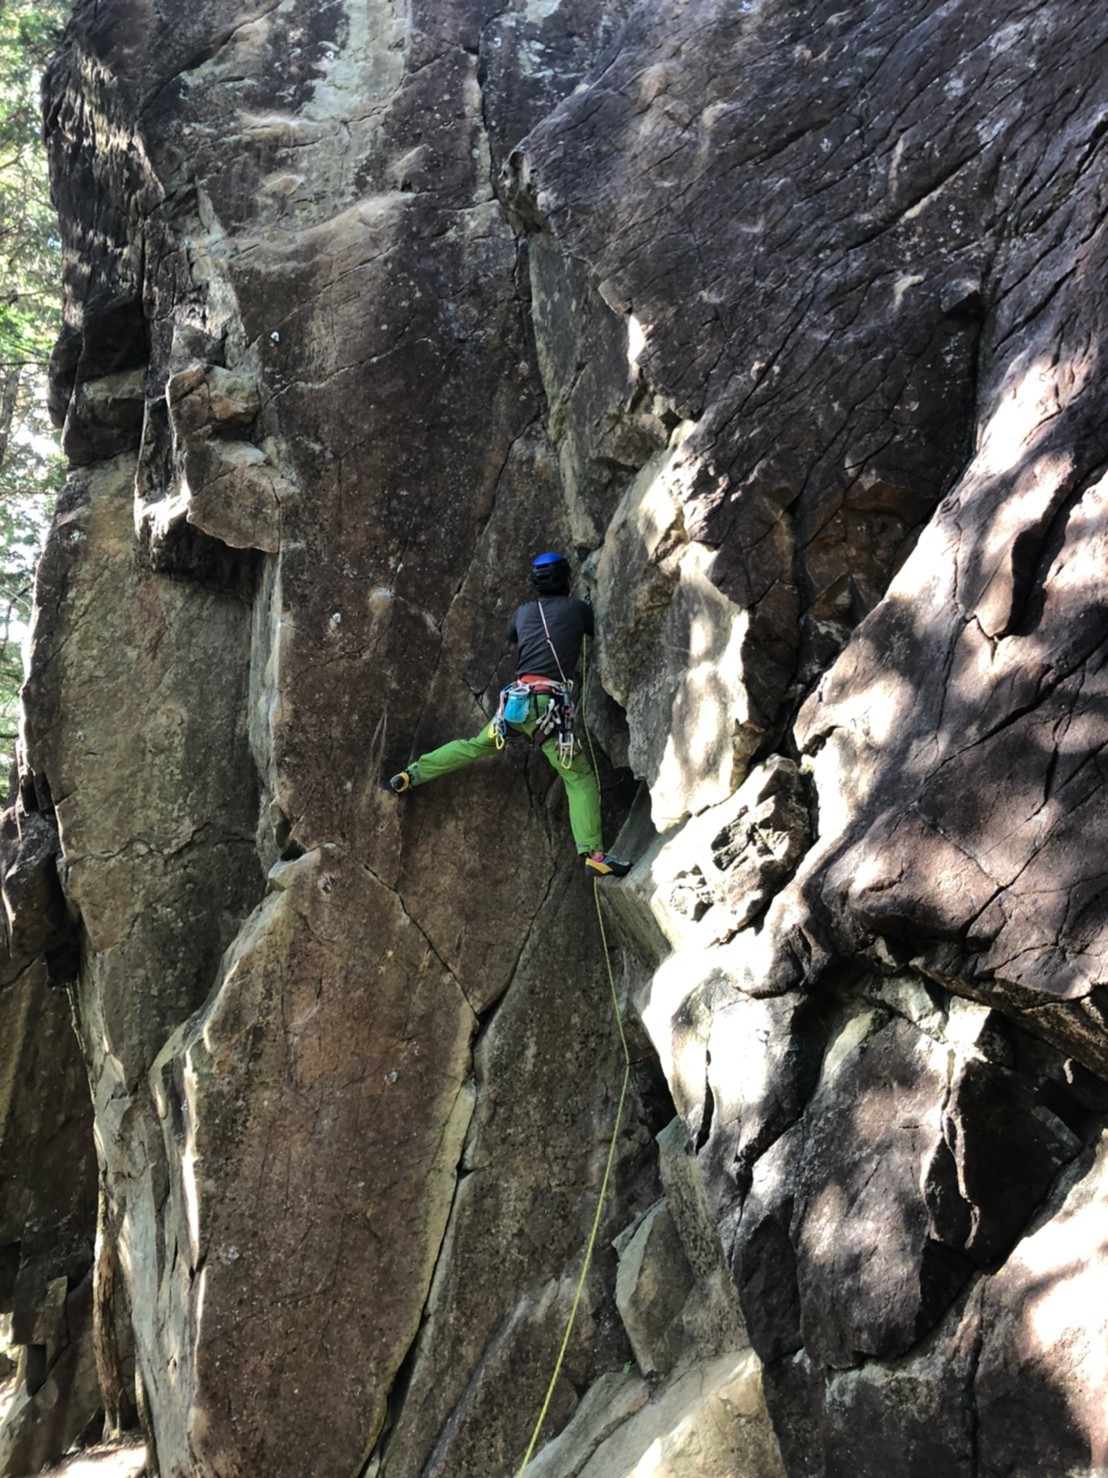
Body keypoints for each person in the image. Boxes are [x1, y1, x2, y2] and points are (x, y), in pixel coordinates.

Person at [388, 552, 631, 877]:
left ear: (535, 583)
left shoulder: (523, 612)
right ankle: (595, 856)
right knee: (580, 777)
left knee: (474, 745)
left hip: (513, 709)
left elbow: (512, 635)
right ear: (566, 580)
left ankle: (412, 774)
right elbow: (593, 627)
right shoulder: (576, 610)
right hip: (547, 709)